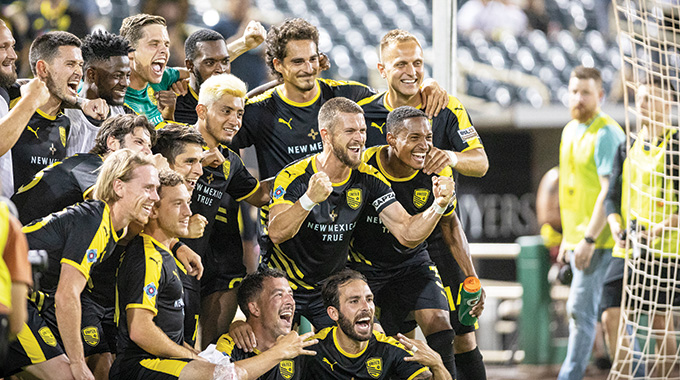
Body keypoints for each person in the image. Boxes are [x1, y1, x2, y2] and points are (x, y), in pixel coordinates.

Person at [264, 97, 455, 329]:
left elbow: (405, 232)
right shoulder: (295, 176)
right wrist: (308, 199)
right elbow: (276, 232)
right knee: (281, 355)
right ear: (326, 135)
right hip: (283, 284)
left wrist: (439, 205)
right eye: (350, 131)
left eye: (363, 130)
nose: (360, 139)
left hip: (328, 287)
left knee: (370, 339)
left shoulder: (369, 177)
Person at [111, 170, 316, 380]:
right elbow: (140, 330)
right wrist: (279, 352)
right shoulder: (148, 257)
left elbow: (163, 330)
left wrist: (192, 354)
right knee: (223, 376)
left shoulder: (166, 254)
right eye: (177, 204)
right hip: (141, 366)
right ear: (153, 209)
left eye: (188, 203)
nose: (187, 212)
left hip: (159, 362)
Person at [350, 106, 485, 380]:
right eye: (414, 138)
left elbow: (450, 224)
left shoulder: (437, 169)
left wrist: (473, 278)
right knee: (382, 347)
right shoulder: (362, 166)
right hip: (367, 270)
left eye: (428, 137)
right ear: (391, 139)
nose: (424, 146)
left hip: (413, 264)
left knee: (442, 328)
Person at [0, 149, 160, 380]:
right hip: (10, 294)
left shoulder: (112, 227)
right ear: (119, 187)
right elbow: (67, 296)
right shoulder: (96, 221)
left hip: (27, 298)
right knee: (71, 375)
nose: (155, 197)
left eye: (156, 188)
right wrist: (76, 361)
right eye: (148, 188)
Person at [230, 18, 448, 181]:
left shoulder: (347, 95)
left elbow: (395, 98)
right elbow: (212, 129)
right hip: (284, 231)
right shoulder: (259, 109)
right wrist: (256, 192)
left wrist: (426, 83)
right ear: (278, 65)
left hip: (341, 232)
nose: (308, 68)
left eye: (312, 59)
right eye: (298, 62)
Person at [601, 79, 680, 377]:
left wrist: (659, 228)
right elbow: (611, 197)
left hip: (664, 249)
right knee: (611, 313)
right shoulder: (627, 144)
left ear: (668, 104)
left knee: (661, 323)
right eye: (641, 98)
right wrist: (615, 224)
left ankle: (665, 376)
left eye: (651, 98)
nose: (643, 104)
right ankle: (630, 373)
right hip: (628, 247)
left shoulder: (675, 145)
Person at [557, 66, 625, 380]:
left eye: (586, 92)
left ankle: (569, 376)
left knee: (582, 311)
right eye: (574, 91)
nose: (579, 98)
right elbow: (572, 192)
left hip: (604, 241)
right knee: (603, 315)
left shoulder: (607, 133)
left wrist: (588, 238)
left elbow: (609, 192)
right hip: (580, 239)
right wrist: (569, 241)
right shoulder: (570, 129)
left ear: (600, 95)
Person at [192, 73, 270, 347]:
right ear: (202, 110)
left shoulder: (230, 162)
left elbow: (261, 195)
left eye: (239, 113)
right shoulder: (170, 142)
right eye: (226, 111)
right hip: (176, 265)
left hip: (218, 270)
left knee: (211, 350)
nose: (235, 121)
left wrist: (304, 174)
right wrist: (195, 161)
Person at [358, 29, 488, 178]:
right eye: (401, 64)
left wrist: (450, 157)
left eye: (417, 63)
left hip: (437, 202)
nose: (412, 72)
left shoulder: (446, 106)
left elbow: (481, 163)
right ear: (382, 70)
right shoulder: (362, 112)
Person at [0, 31, 107, 197]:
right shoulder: (9, 105)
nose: (79, 72)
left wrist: (81, 103)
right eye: (70, 64)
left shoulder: (69, 121)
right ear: (43, 68)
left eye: (80, 65)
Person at [297, 268, 452, 380]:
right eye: (354, 301)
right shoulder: (312, 351)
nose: (366, 307)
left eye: (369, 299)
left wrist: (437, 364)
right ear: (333, 313)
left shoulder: (390, 348)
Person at [11, 114, 155, 224]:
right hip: (13, 235)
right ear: (112, 143)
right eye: (139, 142)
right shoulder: (92, 165)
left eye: (149, 146)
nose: (147, 151)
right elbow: (111, 211)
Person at [214, 268, 301, 379]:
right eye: (279, 295)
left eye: (291, 294)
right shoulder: (229, 347)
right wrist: (278, 353)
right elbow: (219, 375)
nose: (291, 301)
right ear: (255, 308)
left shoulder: (300, 351)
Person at [65, 30, 135, 156]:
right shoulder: (64, 115)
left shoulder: (126, 116)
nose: (126, 83)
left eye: (127, 75)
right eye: (117, 75)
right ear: (91, 75)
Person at [0, 19, 51, 158]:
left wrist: (82, 103)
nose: (13, 55)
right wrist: (31, 100)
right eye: (3, 47)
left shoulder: (5, 90)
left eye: (12, 45)